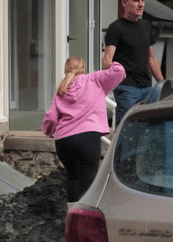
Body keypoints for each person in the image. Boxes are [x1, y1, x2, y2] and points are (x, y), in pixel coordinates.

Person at [42, 57, 126, 211]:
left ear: (65, 70)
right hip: (87, 137)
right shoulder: (95, 79)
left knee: (73, 177)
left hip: (63, 141)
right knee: (88, 181)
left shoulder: (62, 88)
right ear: (84, 68)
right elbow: (119, 71)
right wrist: (108, 62)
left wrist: (48, 131)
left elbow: (52, 117)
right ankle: (84, 221)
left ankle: (72, 217)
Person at [103, 0, 164, 127]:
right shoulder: (116, 27)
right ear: (124, 2)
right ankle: (120, 148)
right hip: (126, 89)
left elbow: (151, 58)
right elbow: (107, 62)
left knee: (150, 128)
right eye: (136, 1)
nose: (141, 4)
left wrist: (162, 83)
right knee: (127, 129)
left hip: (147, 88)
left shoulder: (146, 26)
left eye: (142, 0)